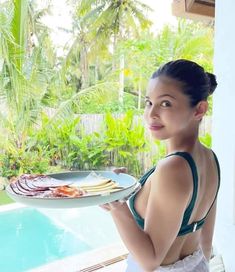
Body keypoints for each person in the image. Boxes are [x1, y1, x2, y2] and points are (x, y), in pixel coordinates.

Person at [101, 59, 220, 272]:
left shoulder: (173, 168)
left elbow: (150, 260)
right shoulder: (210, 159)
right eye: (149, 102)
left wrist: (115, 205)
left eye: (165, 103)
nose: (151, 114)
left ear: (199, 109)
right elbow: (206, 238)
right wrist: (128, 188)